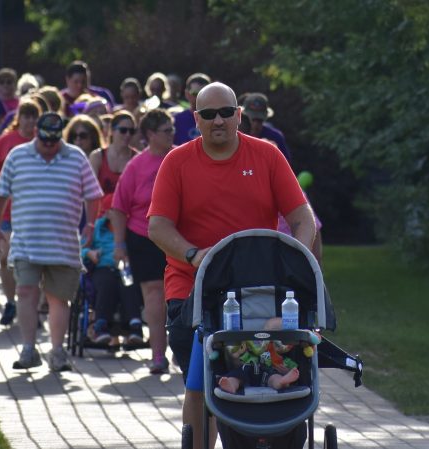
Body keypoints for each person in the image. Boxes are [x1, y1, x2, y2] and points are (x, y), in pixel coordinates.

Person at [146, 82, 316, 449]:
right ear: (196, 120)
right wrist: (194, 254)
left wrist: (297, 258)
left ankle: (277, 425)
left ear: (239, 115)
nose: (218, 120)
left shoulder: (267, 156)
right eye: (208, 114)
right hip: (194, 288)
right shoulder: (176, 162)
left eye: (226, 112)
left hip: (262, 290)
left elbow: (303, 218)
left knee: (280, 361)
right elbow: (157, 225)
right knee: (200, 379)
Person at [0, 112, 103, 372]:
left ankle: (57, 351)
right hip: (27, 241)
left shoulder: (76, 157)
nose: (50, 147)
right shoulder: (18, 155)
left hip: (63, 244)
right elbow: (0, 194)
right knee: (25, 291)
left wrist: (89, 223)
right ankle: (28, 349)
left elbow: (93, 194)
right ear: (36, 135)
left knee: (58, 298)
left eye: (54, 142)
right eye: (45, 142)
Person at [111, 108, 176, 374]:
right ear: (150, 134)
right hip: (144, 235)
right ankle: (158, 355)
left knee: (183, 295)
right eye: (167, 130)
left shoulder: (181, 158)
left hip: (180, 237)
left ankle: (182, 351)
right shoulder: (137, 166)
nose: (173, 134)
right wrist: (119, 245)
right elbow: (118, 207)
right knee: (154, 294)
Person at [0, 99, 42, 326]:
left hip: (34, 214)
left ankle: (31, 307)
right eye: (26, 116)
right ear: (19, 118)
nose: (30, 121)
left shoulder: (43, 143)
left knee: (35, 261)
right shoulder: (6, 141)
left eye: (34, 116)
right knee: (6, 257)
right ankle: (10, 302)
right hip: (8, 214)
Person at [81, 194, 143, 347]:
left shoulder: (130, 230)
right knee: (106, 284)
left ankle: (135, 324)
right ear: (107, 213)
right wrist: (90, 253)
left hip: (125, 267)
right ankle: (101, 325)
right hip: (102, 266)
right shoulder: (97, 228)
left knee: (128, 284)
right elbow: (81, 249)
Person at [217, 319, 300, 394]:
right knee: (236, 375)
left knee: (275, 377)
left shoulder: (283, 358)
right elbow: (239, 359)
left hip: (270, 372)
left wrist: (287, 372)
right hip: (248, 368)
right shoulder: (254, 345)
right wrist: (236, 355)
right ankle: (231, 385)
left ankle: (282, 381)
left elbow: (293, 367)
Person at [89, 110, 138, 194]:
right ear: (112, 131)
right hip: (102, 206)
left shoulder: (137, 159)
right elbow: (90, 191)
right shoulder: (97, 157)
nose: (128, 135)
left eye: (131, 131)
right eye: (123, 130)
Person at [240, 92, 292, 164]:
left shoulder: (276, 137)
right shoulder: (235, 137)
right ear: (243, 117)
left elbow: (286, 165)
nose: (256, 124)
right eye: (253, 119)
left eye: (259, 120)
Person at [172, 73, 210, 146]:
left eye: (204, 93)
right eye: (195, 93)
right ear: (186, 93)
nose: (199, 97)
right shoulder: (176, 120)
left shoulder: (218, 119)